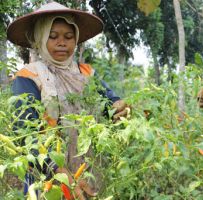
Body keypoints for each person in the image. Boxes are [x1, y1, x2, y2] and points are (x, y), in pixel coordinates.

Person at [7, 1, 128, 199]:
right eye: (52, 36)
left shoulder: (85, 73)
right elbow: (24, 134)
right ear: (40, 38)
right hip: (48, 176)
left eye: (69, 37)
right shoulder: (29, 76)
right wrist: (57, 170)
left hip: (88, 170)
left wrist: (119, 107)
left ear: (76, 39)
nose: (61, 42)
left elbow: (110, 103)